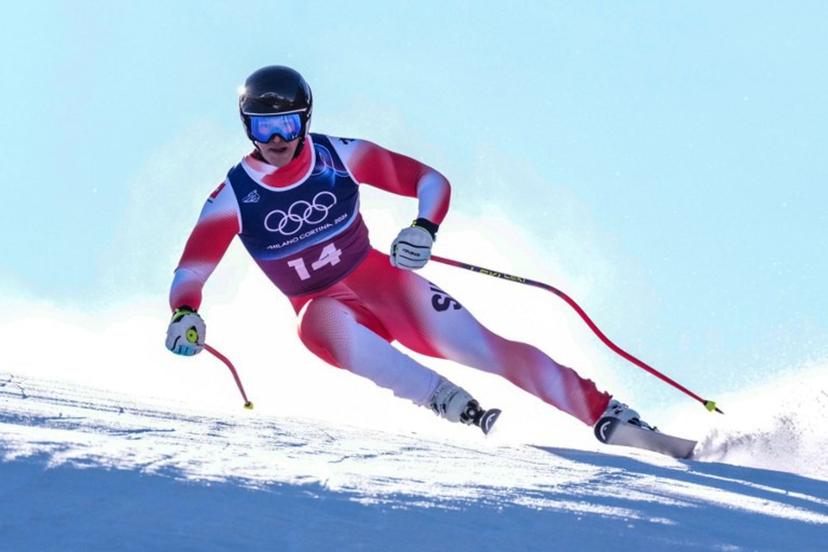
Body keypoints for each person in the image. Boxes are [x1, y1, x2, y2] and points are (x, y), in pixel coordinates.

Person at [166, 65, 643, 435]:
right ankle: (445, 399)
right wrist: (185, 313)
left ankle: (606, 412)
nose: (276, 141)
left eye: (288, 126)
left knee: (488, 349)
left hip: (386, 285)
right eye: (263, 127)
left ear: (304, 121)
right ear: (247, 128)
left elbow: (429, 180)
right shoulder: (232, 196)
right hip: (323, 305)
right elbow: (190, 272)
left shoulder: (339, 156)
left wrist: (423, 228)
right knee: (313, 324)